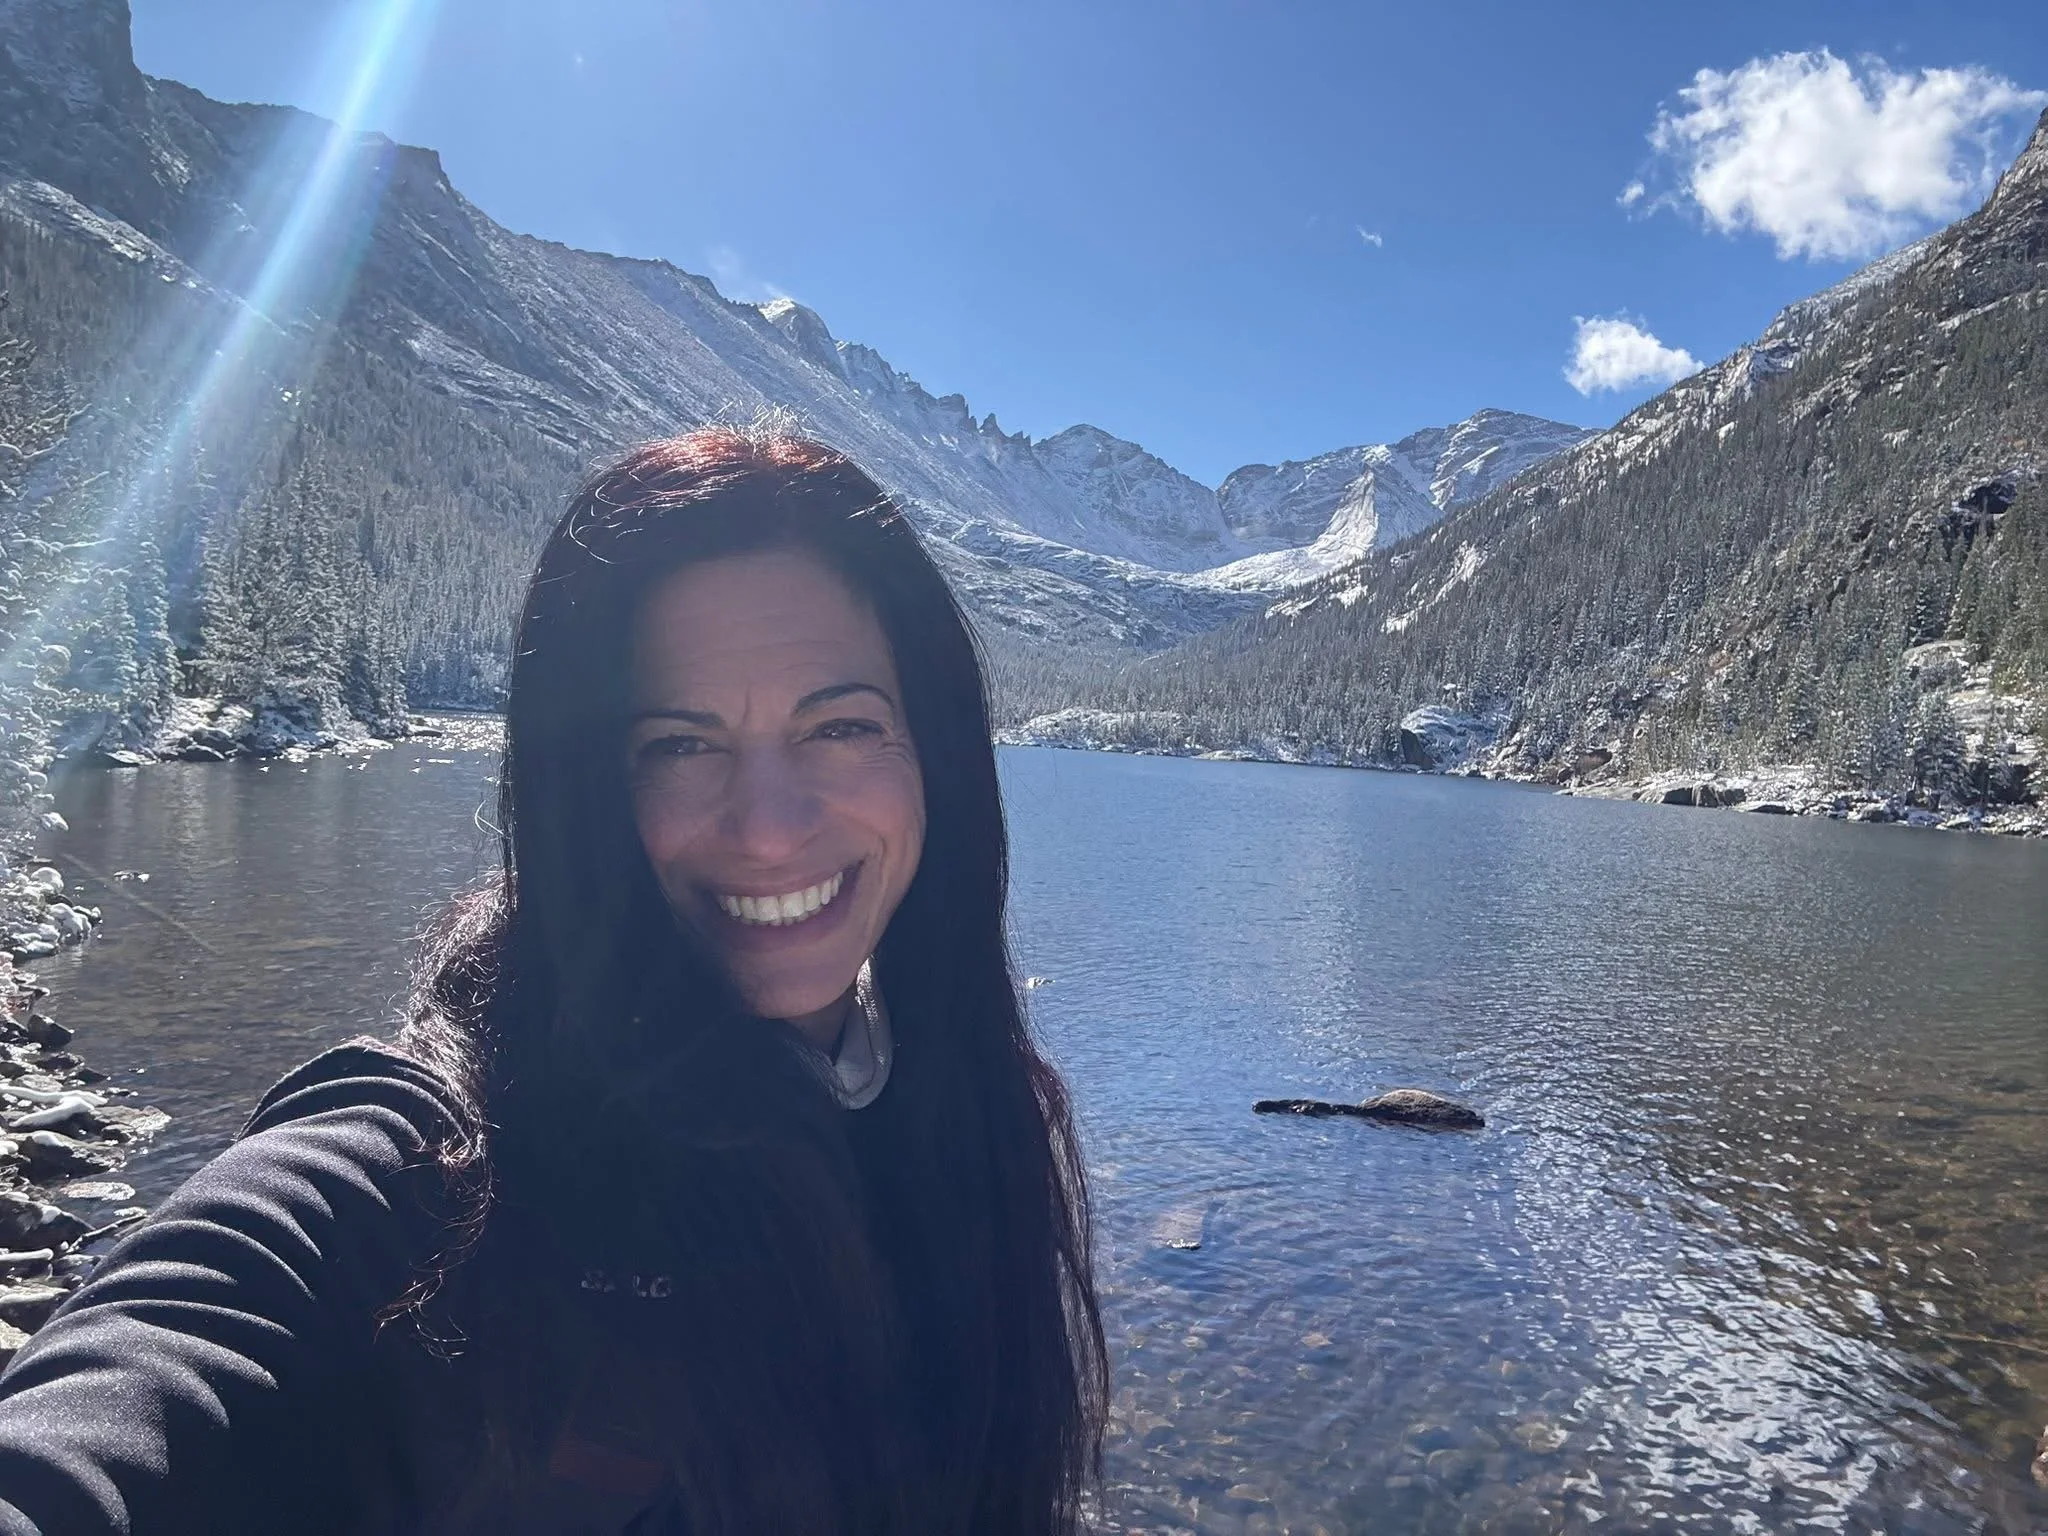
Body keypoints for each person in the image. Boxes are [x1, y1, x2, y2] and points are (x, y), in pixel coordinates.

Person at [0, 426, 1109, 1534]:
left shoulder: (971, 1113)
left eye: (841, 725)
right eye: (680, 744)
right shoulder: (432, 1172)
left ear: (938, 758)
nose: (769, 829)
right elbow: (141, 1384)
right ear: (584, 785)